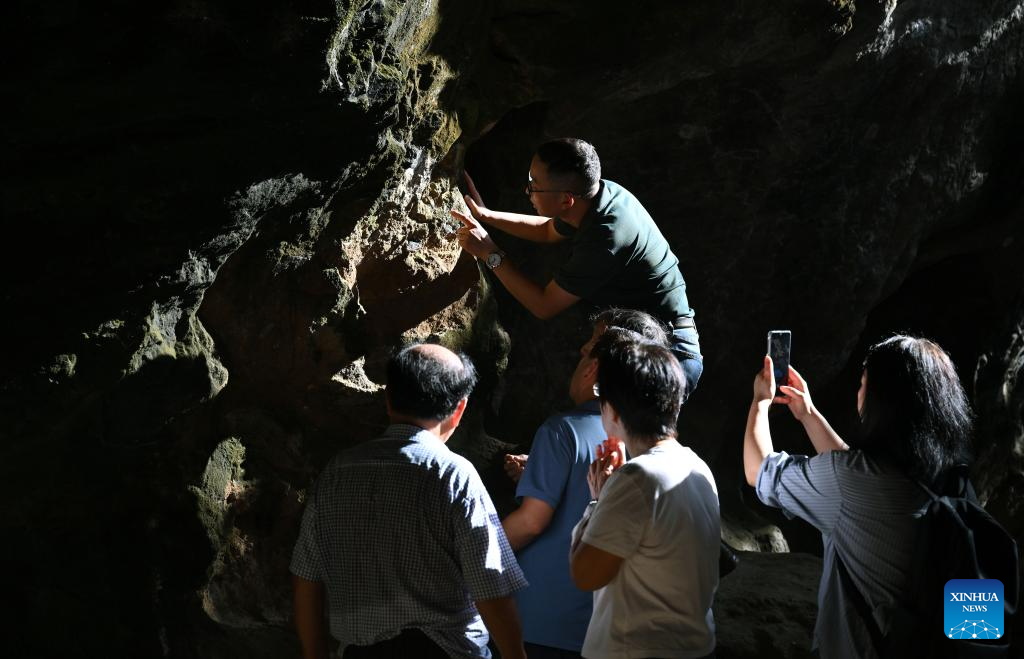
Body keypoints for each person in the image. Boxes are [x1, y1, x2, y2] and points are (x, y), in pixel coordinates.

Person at [743, 335, 975, 659]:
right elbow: (863, 478)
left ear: (882, 401)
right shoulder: (954, 481)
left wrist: (760, 402)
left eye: (864, 382)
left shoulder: (851, 481)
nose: (859, 390)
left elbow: (758, 470)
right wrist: (808, 414)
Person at [290, 343, 528, 659]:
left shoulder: (337, 472)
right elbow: (491, 584)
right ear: (459, 409)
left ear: (388, 399)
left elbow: (306, 576)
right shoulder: (453, 475)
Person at [452, 137, 703, 397]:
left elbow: (544, 305)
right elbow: (548, 231)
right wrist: (487, 215)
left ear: (566, 200)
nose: (527, 190)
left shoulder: (606, 238)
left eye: (534, 185)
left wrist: (490, 253)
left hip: (671, 355)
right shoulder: (600, 195)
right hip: (645, 341)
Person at [502, 309, 670, 658]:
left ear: (597, 369)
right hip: (609, 621)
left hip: (542, 618)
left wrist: (471, 557)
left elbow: (532, 522)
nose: (582, 350)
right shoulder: (648, 441)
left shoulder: (561, 430)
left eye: (594, 344)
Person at [570, 329, 720, 659]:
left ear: (615, 410)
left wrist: (598, 500)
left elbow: (585, 574)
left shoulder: (636, 480)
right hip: (695, 646)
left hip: (639, 649)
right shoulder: (696, 466)